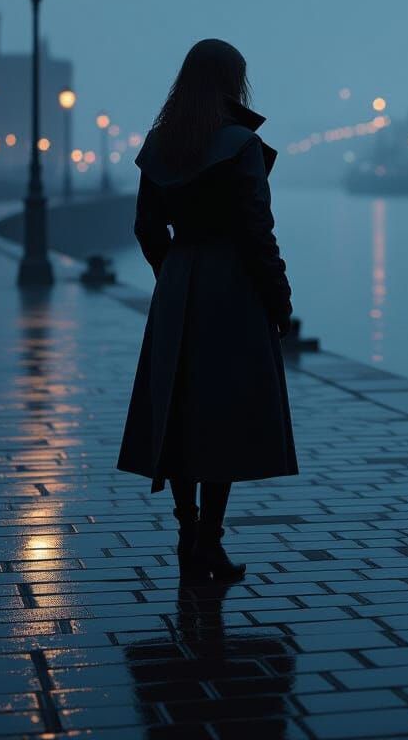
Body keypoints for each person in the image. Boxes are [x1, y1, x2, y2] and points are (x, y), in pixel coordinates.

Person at [117, 39, 298, 583]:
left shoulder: (161, 145)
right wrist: (278, 295)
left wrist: (171, 274)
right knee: (222, 415)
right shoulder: (239, 145)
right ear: (231, 83)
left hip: (178, 282)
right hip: (232, 289)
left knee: (179, 409)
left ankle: (184, 529)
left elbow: (146, 228)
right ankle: (208, 542)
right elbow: (256, 230)